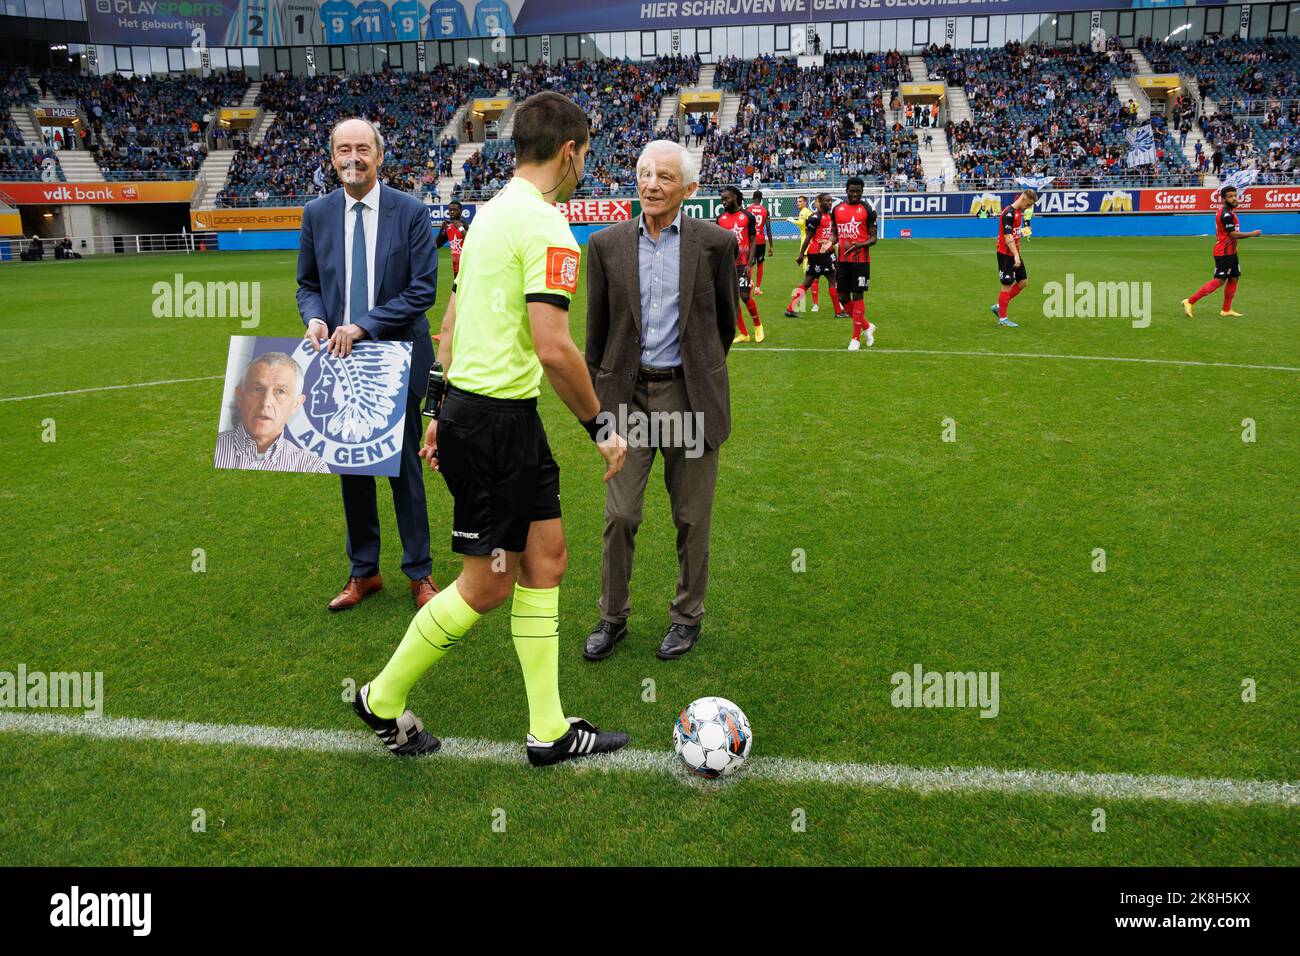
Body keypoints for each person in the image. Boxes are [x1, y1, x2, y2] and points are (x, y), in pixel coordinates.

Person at [352, 91, 631, 764]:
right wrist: (601, 427)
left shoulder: (489, 213)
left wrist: (437, 408)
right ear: (569, 151)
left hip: (493, 418)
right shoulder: (545, 226)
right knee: (488, 583)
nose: (585, 164)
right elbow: (554, 345)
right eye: (585, 153)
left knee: (547, 558)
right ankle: (381, 699)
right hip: (495, 424)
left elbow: (454, 319)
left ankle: (549, 730)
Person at [582, 140, 738, 663]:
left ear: (689, 190)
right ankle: (612, 617)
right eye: (645, 173)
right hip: (627, 399)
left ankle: (686, 617)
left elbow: (724, 324)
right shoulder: (605, 245)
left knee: (692, 518)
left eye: (665, 177)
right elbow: (596, 335)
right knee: (621, 514)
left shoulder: (715, 244)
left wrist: (697, 370)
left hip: (689, 398)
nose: (651, 184)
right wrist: (604, 408)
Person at [296, 117, 441, 612]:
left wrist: (364, 325)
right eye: (343, 149)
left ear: (379, 155)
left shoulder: (411, 211)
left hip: (396, 357)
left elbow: (423, 291)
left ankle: (419, 573)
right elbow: (308, 283)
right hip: (337, 360)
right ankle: (364, 572)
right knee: (352, 470)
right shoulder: (316, 213)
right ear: (332, 156)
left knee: (404, 470)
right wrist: (315, 319)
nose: (352, 158)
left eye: (362, 148)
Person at [214, 352, 330, 473]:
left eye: (280, 391)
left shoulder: (312, 467)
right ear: (240, 395)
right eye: (257, 389)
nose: (265, 403)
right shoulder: (211, 449)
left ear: (296, 404)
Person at [1181, 185, 1261, 319]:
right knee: (1219, 281)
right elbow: (1233, 235)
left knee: (1234, 277)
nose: (1234, 198)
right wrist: (1252, 233)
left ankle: (1226, 309)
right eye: (1230, 196)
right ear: (1223, 199)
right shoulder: (1226, 215)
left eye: (1235, 195)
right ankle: (1189, 301)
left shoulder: (1229, 212)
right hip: (1224, 252)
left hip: (1231, 252)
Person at [831, 177, 878, 349]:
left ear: (862, 192)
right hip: (842, 260)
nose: (855, 194)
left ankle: (855, 338)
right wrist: (829, 241)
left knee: (858, 295)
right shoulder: (837, 210)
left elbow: (874, 238)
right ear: (846, 190)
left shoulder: (867, 209)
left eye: (858, 191)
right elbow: (835, 234)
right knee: (842, 297)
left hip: (861, 261)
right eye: (852, 190)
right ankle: (867, 326)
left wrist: (861, 244)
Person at [785, 192, 847, 318]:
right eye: (826, 201)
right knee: (832, 279)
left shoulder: (828, 216)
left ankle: (791, 308)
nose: (829, 203)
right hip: (820, 253)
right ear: (819, 202)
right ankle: (838, 311)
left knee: (808, 281)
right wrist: (801, 255)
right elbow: (808, 238)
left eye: (830, 201)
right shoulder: (814, 218)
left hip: (823, 252)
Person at [716, 186, 762, 343]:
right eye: (722, 199)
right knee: (731, 299)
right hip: (727, 265)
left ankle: (758, 326)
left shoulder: (747, 216)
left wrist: (750, 264)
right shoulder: (720, 219)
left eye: (726, 199)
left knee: (745, 295)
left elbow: (753, 240)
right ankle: (743, 333)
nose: (724, 202)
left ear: (735, 197)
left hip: (743, 263)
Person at [989, 188, 1037, 328]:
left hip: (1015, 253)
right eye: (1028, 204)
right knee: (1007, 285)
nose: (1028, 208)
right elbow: (1008, 236)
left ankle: (1000, 306)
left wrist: (1022, 236)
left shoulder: (1018, 213)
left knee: (1023, 282)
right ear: (1023, 198)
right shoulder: (1008, 213)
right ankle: (1003, 319)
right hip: (1005, 254)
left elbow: (1015, 234)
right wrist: (1016, 255)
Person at [745, 190, 774, 295]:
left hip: (750, 241)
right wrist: (771, 245)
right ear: (761, 199)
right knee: (760, 264)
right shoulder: (765, 210)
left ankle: (750, 283)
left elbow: (745, 225)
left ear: (753, 198)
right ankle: (757, 288)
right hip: (761, 241)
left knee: (750, 264)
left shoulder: (748, 209)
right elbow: (769, 229)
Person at [434, 199, 469, 279]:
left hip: (466, 266)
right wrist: (441, 229)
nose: (452, 212)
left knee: (457, 291)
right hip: (456, 268)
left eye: (455, 210)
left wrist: (460, 228)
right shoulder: (449, 227)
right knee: (458, 291)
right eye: (450, 210)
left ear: (460, 211)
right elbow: (437, 244)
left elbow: (471, 240)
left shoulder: (464, 225)